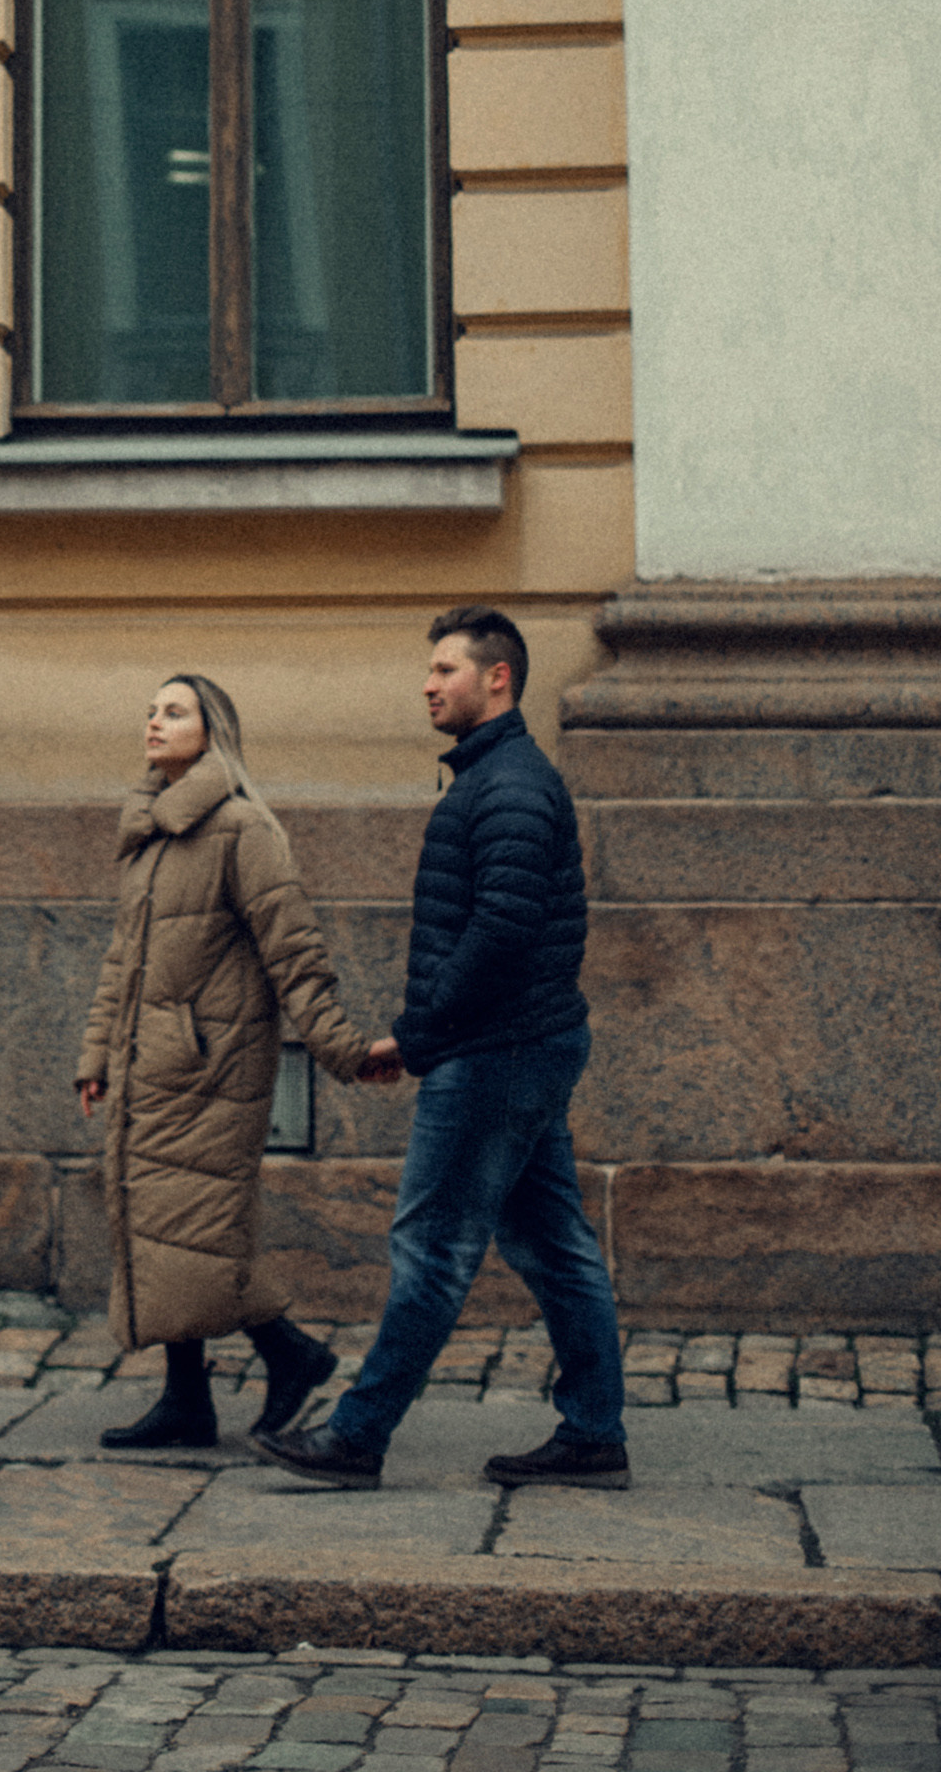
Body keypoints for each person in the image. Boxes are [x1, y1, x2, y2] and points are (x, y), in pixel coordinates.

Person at [259, 606, 629, 1492]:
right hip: (517, 1044)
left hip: (498, 1052)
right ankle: (594, 1433)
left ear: (497, 678)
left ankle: (358, 1434)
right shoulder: (493, 778)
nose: (428, 685)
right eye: (429, 671)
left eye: (445, 670)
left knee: (433, 1245)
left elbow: (500, 932)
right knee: (555, 1246)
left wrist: (421, 1035)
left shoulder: (510, 787)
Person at [74, 673, 400, 1451]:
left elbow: (294, 949)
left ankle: (291, 1356)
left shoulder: (243, 829)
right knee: (164, 1228)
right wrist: (96, 1054)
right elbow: (123, 959)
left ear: (212, 730)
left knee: (196, 1229)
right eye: (151, 711)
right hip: (150, 1065)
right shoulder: (150, 833)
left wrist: (343, 1049)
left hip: (210, 1069)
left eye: (174, 711)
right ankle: (190, 1401)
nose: (154, 722)